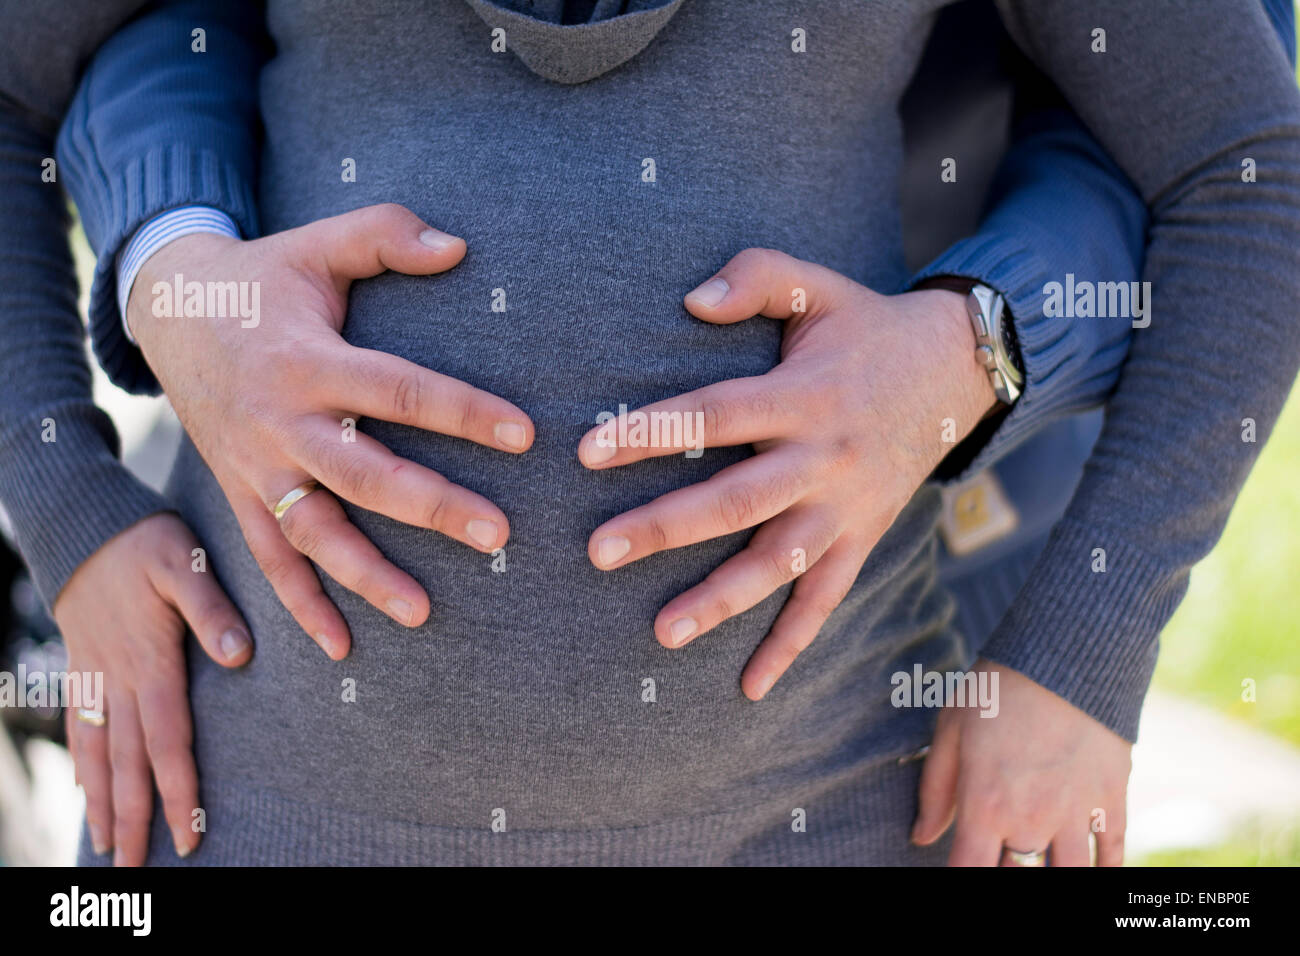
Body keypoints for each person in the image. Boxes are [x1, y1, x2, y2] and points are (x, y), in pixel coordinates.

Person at [12, 0, 1300, 865]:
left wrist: (1085, 646)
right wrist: (65, 501)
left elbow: (1244, 164)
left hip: (830, 797)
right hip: (239, 812)